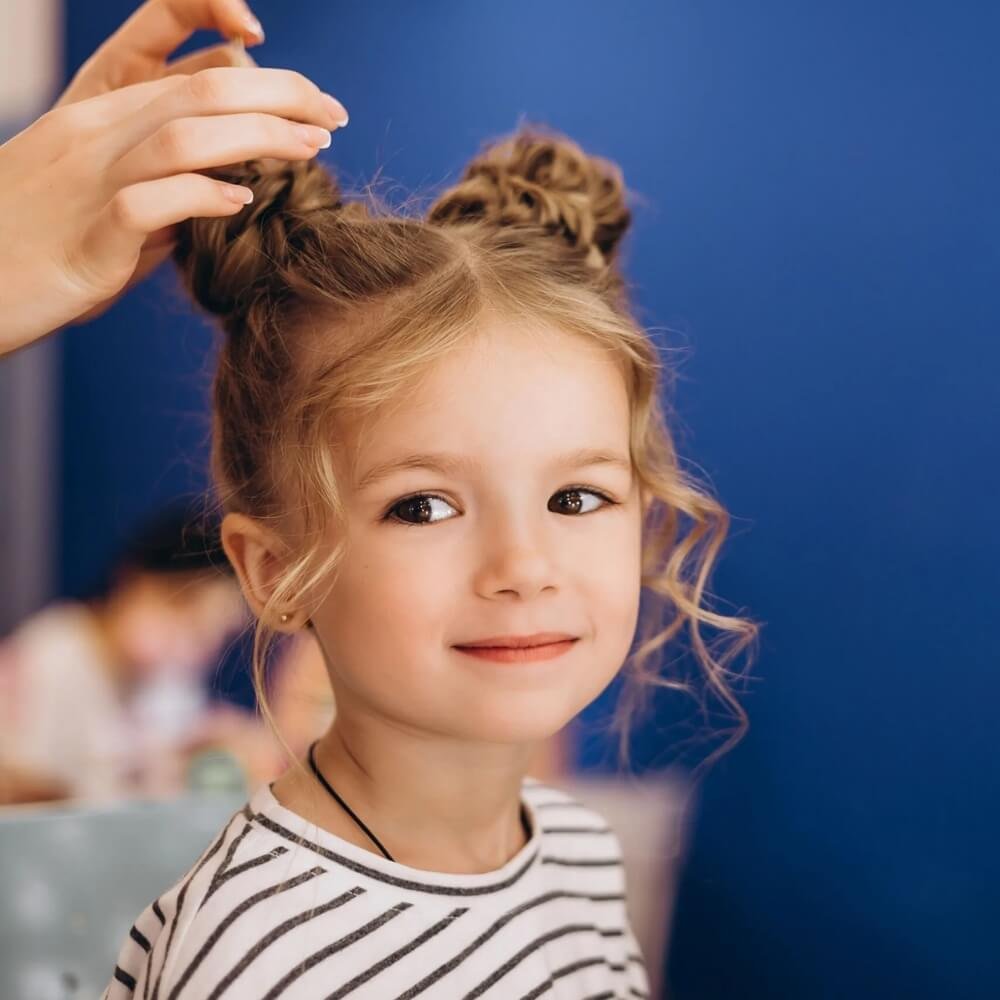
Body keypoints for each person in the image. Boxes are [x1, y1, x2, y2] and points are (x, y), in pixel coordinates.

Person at [0, 1, 760, 995]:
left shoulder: (576, 854)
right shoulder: (253, 953)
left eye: (576, 497)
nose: (523, 569)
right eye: (424, 507)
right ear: (274, 570)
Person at [0, 497, 250, 803]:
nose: (193, 639)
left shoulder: (171, 676)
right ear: (133, 580)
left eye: (213, 630)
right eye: (183, 606)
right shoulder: (55, 652)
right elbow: (25, 781)